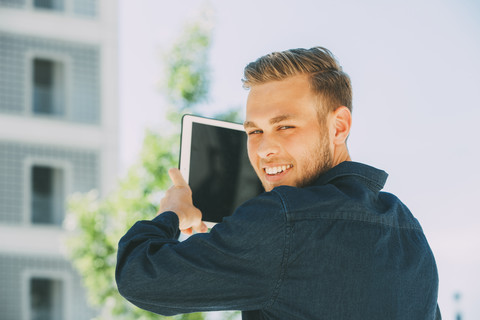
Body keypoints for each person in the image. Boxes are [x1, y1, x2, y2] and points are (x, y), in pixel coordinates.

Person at [116, 47, 441, 319]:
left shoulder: (281, 220)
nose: (263, 149)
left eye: (285, 126)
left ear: (339, 127)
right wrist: (239, 240)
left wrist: (170, 215)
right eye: (254, 131)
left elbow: (139, 275)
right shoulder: (408, 229)